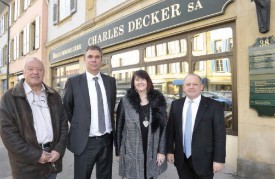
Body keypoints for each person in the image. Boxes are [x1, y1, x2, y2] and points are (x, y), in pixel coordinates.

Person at [0, 57, 68, 179]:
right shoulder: (9, 98)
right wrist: (36, 155)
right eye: (31, 69)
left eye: (39, 69)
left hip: (52, 162)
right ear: (24, 72)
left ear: (44, 72)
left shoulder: (54, 95)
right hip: (25, 167)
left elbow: (63, 125)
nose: (35, 72)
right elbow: (8, 136)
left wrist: (59, 150)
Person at [63, 45, 116, 179]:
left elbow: (110, 106)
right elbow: (67, 108)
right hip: (85, 141)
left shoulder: (110, 81)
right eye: (90, 57)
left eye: (97, 57)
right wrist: (80, 125)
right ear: (84, 59)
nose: (94, 60)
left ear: (101, 60)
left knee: (105, 176)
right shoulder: (74, 82)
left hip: (106, 139)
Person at [166, 73, 226, 179]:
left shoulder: (214, 106)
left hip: (205, 161)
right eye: (188, 84)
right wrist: (170, 150)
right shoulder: (176, 105)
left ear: (201, 87)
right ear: (184, 87)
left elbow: (220, 135)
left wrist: (219, 159)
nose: (191, 87)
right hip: (182, 159)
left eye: (195, 84)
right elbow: (171, 130)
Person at [115, 70, 168, 179]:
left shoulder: (158, 100)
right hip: (131, 150)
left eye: (143, 79)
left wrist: (162, 151)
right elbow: (119, 128)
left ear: (148, 81)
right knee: (133, 175)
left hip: (153, 149)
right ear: (133, 83)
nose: (140, 82)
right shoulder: (125, 101)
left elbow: (164, 128)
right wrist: (118, 151)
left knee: (150, 175)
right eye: (137, 79)